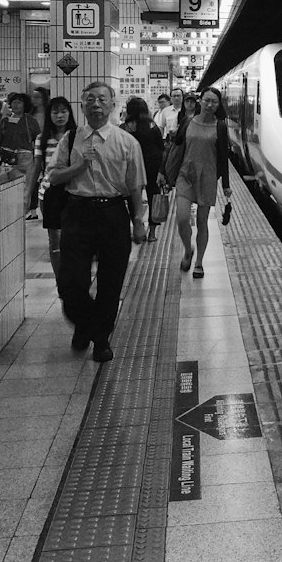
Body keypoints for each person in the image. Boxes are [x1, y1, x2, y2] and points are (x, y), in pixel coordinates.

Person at [48, 81, 147, 362]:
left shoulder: (127, 142)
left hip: (113, 214)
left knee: (110, 282)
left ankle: (101, 339)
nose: (96, 104)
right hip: (77, 213)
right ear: (82, 105)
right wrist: (79, 165)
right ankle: (86, 322)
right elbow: (54, 177)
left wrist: (138, 221)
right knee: (71, 283)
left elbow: (135, 187)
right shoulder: (70, 139)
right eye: (90, 99)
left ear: (112, 105)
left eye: (102, 99)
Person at [165, 86, 231, 280]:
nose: (209, 104)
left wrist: (226, 184)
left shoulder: (220, 126)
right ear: (200, 100)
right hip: (186, 174)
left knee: (202, 222)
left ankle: (199, 262)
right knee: (182, 218)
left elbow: (223, 157)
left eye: (214, 101)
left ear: (218, 105)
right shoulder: (187, 121)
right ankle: (188, 249)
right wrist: (163, 170)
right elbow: (174, 147)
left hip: (208, 176)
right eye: (207, 100)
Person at [37, 97, 78, 292]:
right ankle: (61, 283)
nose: (59, 116)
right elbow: (36, 167)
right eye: (55, 112)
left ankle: (74, 279)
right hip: (49, 194)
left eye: (63, 112)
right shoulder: (42, 139)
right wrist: (28, 194)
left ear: (69, 113)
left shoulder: (78, 137)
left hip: (73, 192)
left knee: (74, 238)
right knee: (55, 241)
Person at [0, 92, 41, 217]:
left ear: (25, 105)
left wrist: (40, 162)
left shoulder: (31, 121)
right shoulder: (5, 121)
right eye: (14, 102)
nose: (16, 105)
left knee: (26, 189)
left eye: (19, 102)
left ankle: (27, 212)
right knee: (7, 190)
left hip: (26, 161)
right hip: (6, 160)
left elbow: (39, 141)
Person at [123, 96, 165, 243]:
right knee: (154, 197)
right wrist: (162, 170)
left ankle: (137, 228)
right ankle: (152, 233)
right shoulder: (153, 126)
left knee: (133, 198)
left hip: (132, 167)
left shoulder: (124, 128)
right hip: (152, 165)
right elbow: (161, 148)